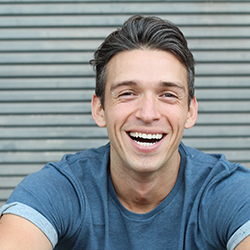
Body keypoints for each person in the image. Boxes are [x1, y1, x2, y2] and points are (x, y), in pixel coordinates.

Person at [0, 15, 250, 250]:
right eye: (127, 93)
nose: (148, 113)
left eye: (168, 95)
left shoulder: (228, 191)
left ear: (190, 111)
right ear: (99, 109)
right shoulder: (59, 188)